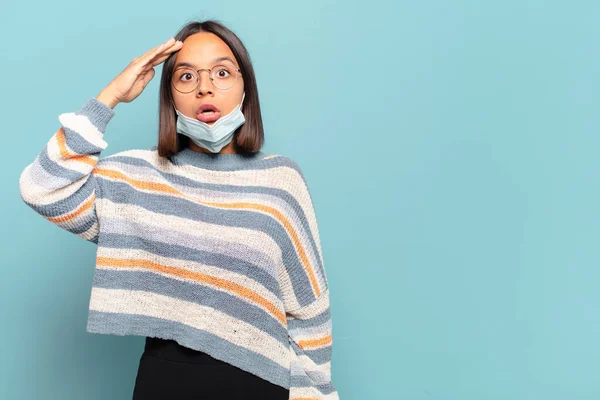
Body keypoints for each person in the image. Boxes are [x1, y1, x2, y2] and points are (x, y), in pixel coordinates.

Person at [18, 20, 339, 400]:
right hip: (165, 382)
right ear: (169, 96)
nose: (205, 86)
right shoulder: (138, 177)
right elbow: (42, 188)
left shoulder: (280, 179)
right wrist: (111, 97)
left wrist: (315, 394)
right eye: (186, 76)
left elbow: (309, 306)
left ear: (244, 88)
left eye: (222, 72)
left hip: (262, 381)